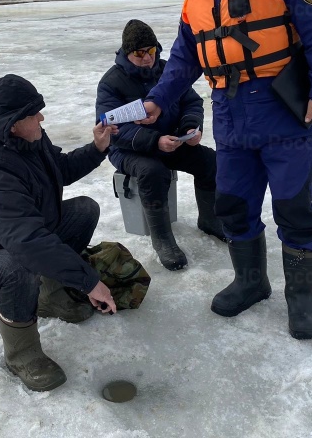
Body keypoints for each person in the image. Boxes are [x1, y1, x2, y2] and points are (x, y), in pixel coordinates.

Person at [138, 0, 312, 339]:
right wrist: (159, 99)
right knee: (232, 202)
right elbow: (182, 58)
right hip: (229, 115)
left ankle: (302, 299)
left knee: (294, 206)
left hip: (282, 111)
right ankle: (251, 282)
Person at [0, 74, 118, 391]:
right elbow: (27, 241)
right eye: (34, 114)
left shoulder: (27, 139)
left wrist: (97, 147)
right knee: (19, 267)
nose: (41, 118)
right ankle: (22, 354)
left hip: (14, 240)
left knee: (83, 211)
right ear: (12, 122)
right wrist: (89, 281)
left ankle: (49, 297)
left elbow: (57, 170)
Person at [96, 19, 225, 271]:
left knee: (210, 161)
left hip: (172, 141)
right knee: (153, 171)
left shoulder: (168, 72)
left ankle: (210, 220)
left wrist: (190, 127)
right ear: (127, 52)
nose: (147, 58)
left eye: (151, 51)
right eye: (139, 53)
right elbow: (114, 129)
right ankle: (163, 239)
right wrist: (155, 141)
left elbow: (191, 102)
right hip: (128, 150)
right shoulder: (111, 83)